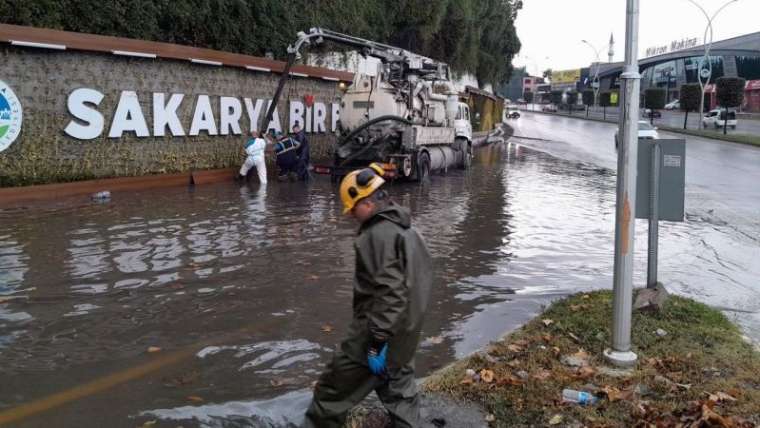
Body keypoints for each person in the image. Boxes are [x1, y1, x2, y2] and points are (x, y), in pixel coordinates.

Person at [303, 163, 433, 428]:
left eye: (352, 207)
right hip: (406, 332)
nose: (350, 214)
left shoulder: (377, 234)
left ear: (367, 202)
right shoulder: (405, 227)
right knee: (399, 389)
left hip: (376, 334)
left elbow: (389, 293)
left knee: (331, 393)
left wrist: (376, 343)